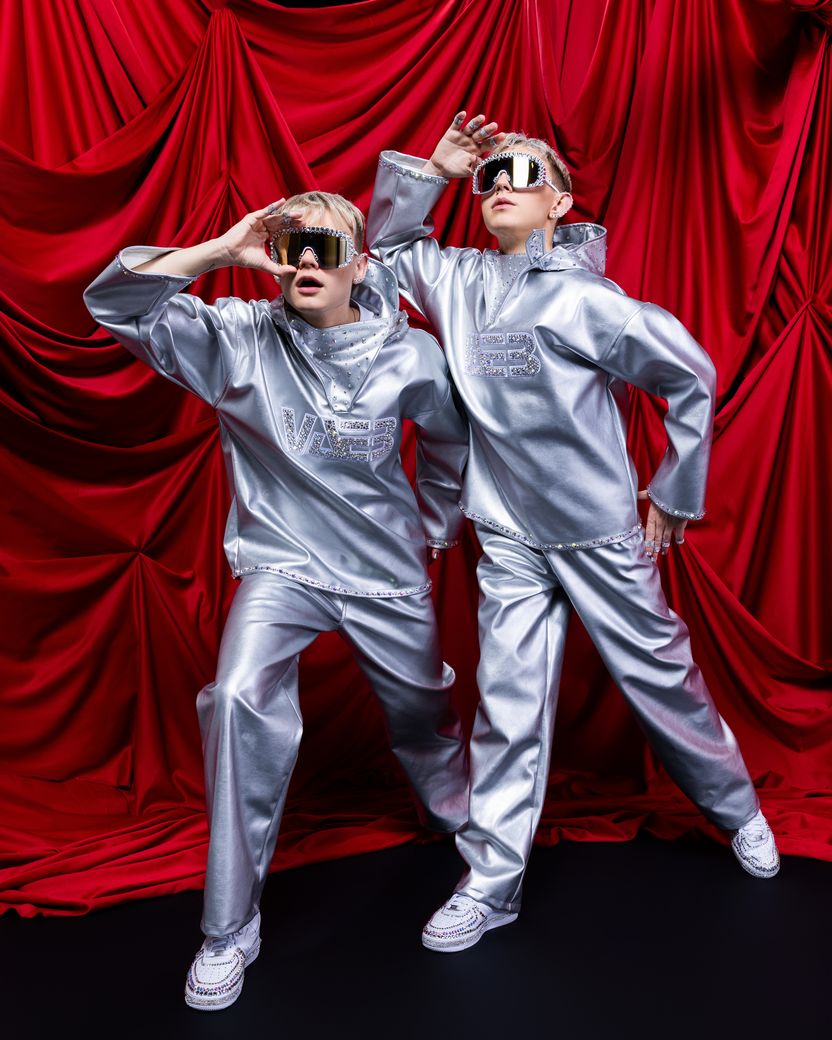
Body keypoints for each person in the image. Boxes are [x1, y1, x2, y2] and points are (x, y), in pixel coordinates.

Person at [367, 112, 780, 954]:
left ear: (558, 203)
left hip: (597, 530)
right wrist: (436, 170)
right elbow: (392, 245)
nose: (502, 186)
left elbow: (692, 374)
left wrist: (675, 492)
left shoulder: (590, 300)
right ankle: (489, 882)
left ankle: (739, 811)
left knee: (662, 684)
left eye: (522, 175)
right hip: (509, 532)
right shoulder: (457, 279)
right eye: (493, 177)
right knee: (509, 705)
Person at [84, 190, 470, 1006]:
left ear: (361, 267)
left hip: (384, 572)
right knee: (236, 701)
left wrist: (434, 526)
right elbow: (113, 300)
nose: (304, 262)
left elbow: (446, 440)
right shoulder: (237, 341)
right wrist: (223, 252)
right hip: (281, 565)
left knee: (421, 711)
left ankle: (453, 811)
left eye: (326, 248)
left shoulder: (413, 357)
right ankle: (228, 927)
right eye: (293, 246)